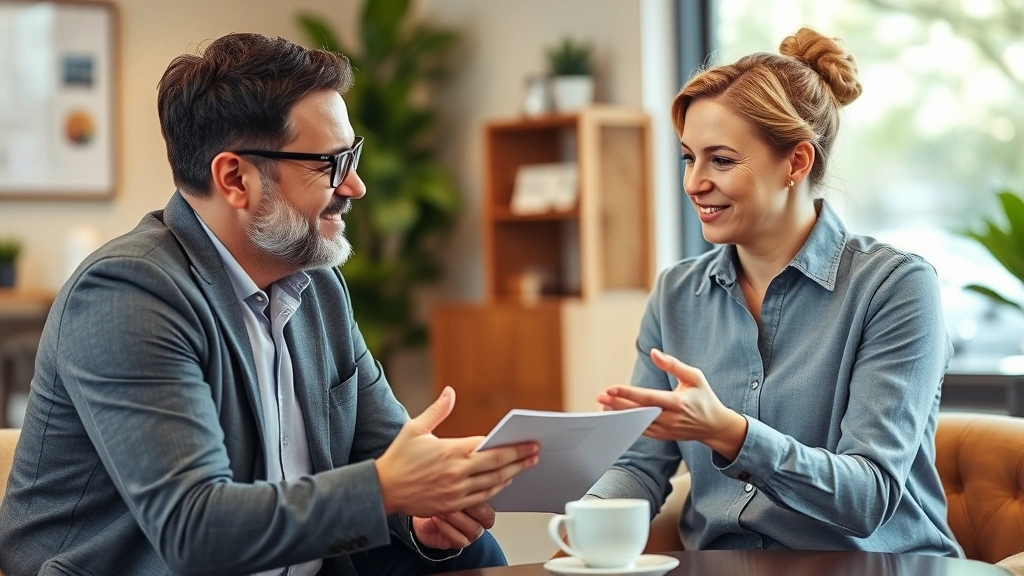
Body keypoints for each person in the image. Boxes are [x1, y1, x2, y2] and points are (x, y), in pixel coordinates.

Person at [0, 33, 539, 576]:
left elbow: (380, 458)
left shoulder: (319, 287)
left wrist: (419, 514)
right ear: (235, 178)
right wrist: (385, 490)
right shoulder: (128, 292)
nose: (355, 186)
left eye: (352, 155)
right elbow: (194, 528)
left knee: (469, 553)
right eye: (329, 164)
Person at [588, 27, 962, 556]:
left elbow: (868, 496)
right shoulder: (677, 294)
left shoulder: (896, 287)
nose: (694, 182)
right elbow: (641, 465)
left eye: (720, 160)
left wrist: (732, 435)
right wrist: (581, 512)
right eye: (688, 158)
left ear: (796, 162)